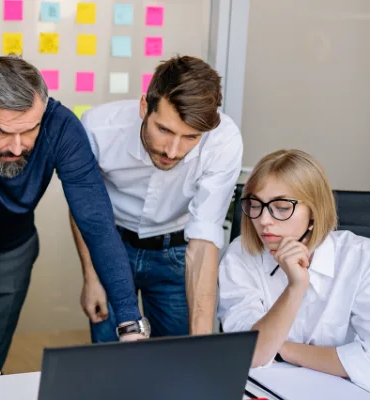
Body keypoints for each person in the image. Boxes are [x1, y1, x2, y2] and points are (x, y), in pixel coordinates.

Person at [0, 55, 147, 393]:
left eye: (29, 131)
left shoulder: (61, 126)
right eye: (1, 131)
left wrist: (130, 323)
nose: (17, 146)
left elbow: (96, 220)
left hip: (10, 255)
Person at [71, 55, 242, 342]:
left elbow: (204, 239)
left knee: (176, 357)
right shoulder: (98, 128)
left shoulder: (223, 141)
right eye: (164, 130)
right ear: (144, 107)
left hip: (177, 252)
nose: (173, 151)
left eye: (190, 137)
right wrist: (91, 276)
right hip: (110, 245)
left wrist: (201, 344)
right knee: (109, 362)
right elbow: (85, 209)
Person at [218, 149, 370, 391]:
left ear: (314, 212)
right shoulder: (240, 255)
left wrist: (285, 349)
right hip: (263, 389)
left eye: (280, 207)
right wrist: (295, 287)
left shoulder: (362, 258)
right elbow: (250, 355)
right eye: (255, 204)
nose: (264, 220)